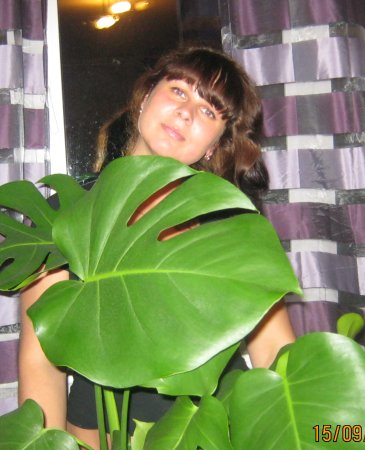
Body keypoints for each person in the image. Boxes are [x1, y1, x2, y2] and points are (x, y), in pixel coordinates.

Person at [19, 46, 296, 449]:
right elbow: (40, 362)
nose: (186, 113)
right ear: (146, 96)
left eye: (209, 112)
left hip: (210, 434)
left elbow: (275, 348)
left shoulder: (231, 226)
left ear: (213, 145)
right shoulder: (64, 214)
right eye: (179, 91)